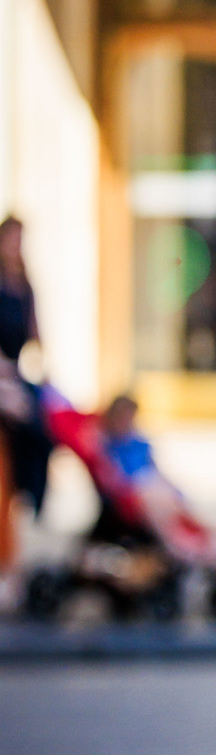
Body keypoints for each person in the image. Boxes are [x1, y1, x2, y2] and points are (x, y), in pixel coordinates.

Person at [0, 215, 50, 588]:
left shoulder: (25, 286)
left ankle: (32, 498)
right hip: (3, 381)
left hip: (14, 378)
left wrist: (45, 378)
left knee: (42, 432)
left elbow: (36, 336)